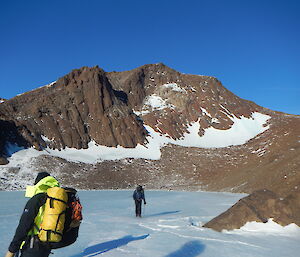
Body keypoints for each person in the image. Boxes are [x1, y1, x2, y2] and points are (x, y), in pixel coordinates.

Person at [5, 172, 59, 257]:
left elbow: (24, 226)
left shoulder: (37, 199)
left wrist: (12, 250)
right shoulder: (55, 199)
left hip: (32, 244)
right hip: (46, 243)